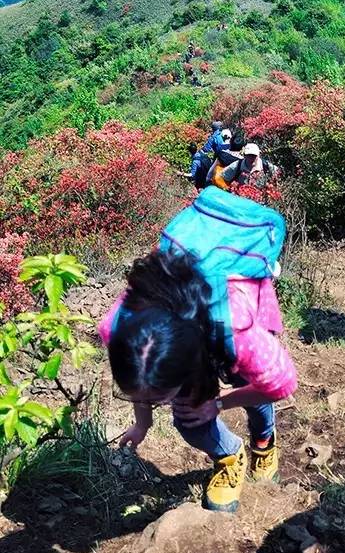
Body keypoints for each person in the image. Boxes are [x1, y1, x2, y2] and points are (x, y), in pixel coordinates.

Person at [99, 218, 296, 514]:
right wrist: (143, 423)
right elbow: (141, 379)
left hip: (240, 297)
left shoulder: (239, 332)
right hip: (192, 328)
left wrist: (218, 402)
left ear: (190, 365)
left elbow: (278, 387)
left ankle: (264, 442)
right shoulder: (116, 329)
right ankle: (229, 455)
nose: (150, 403)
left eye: (157, 398)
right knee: (189, 417)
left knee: (247, 381)